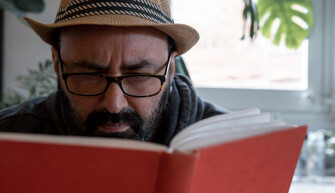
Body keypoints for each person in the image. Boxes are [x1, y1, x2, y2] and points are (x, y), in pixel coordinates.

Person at [0, 0, 227, 145]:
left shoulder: (233, 144)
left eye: (139, 76)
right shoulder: (8, 137)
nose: (114, 105)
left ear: (170, 69)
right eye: (90, 75)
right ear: (57, 64)